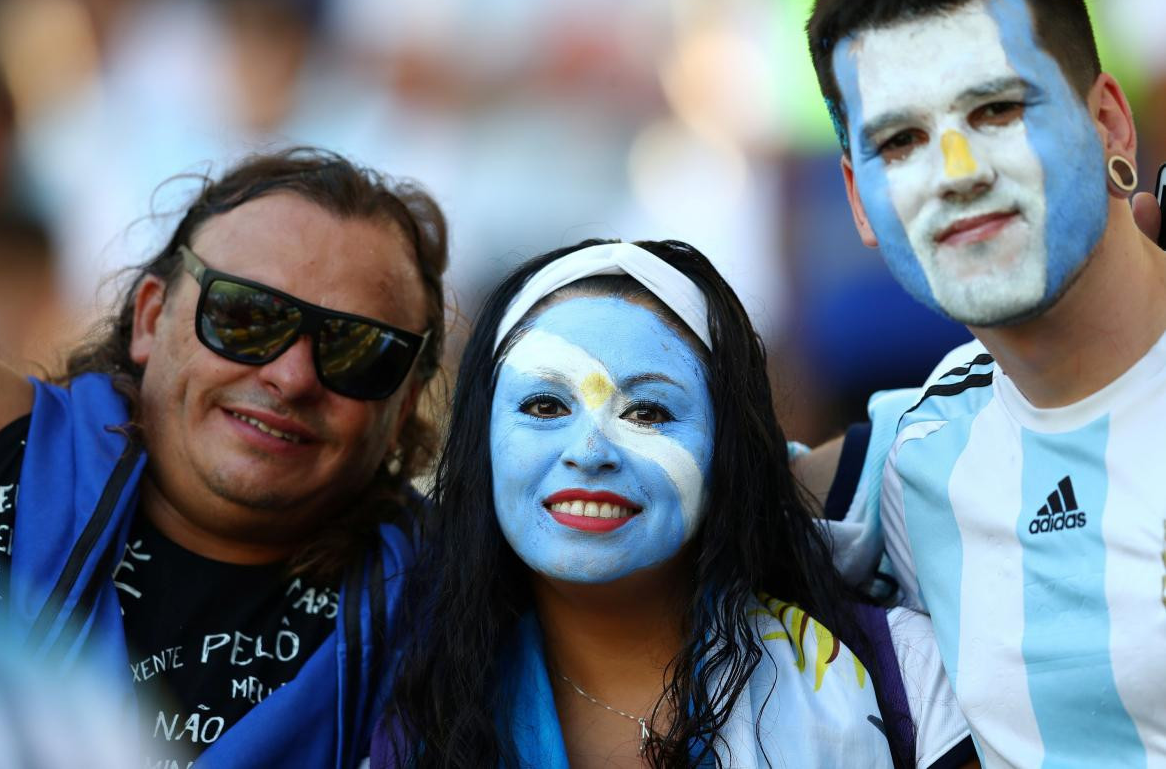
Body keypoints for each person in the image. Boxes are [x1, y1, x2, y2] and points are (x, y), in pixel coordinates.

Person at [373, 239, 973, 768]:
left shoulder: (900, 673)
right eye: (546, 407)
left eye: (649, 412)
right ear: (482, 441)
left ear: (726, 453)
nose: (589, 452)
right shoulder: (413, 705)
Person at [804, 0, 1166, 764]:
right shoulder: (914, 457)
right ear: (858, 202)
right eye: (900, 141)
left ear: (1110, 121)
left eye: (997, 110)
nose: (956, 173)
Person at [0, 147, 448, 767]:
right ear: (151, 319)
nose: (292, 378)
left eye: (358, 351)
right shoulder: (8, 443)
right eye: (246, 315)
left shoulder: (453, 608)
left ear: (403, 409)